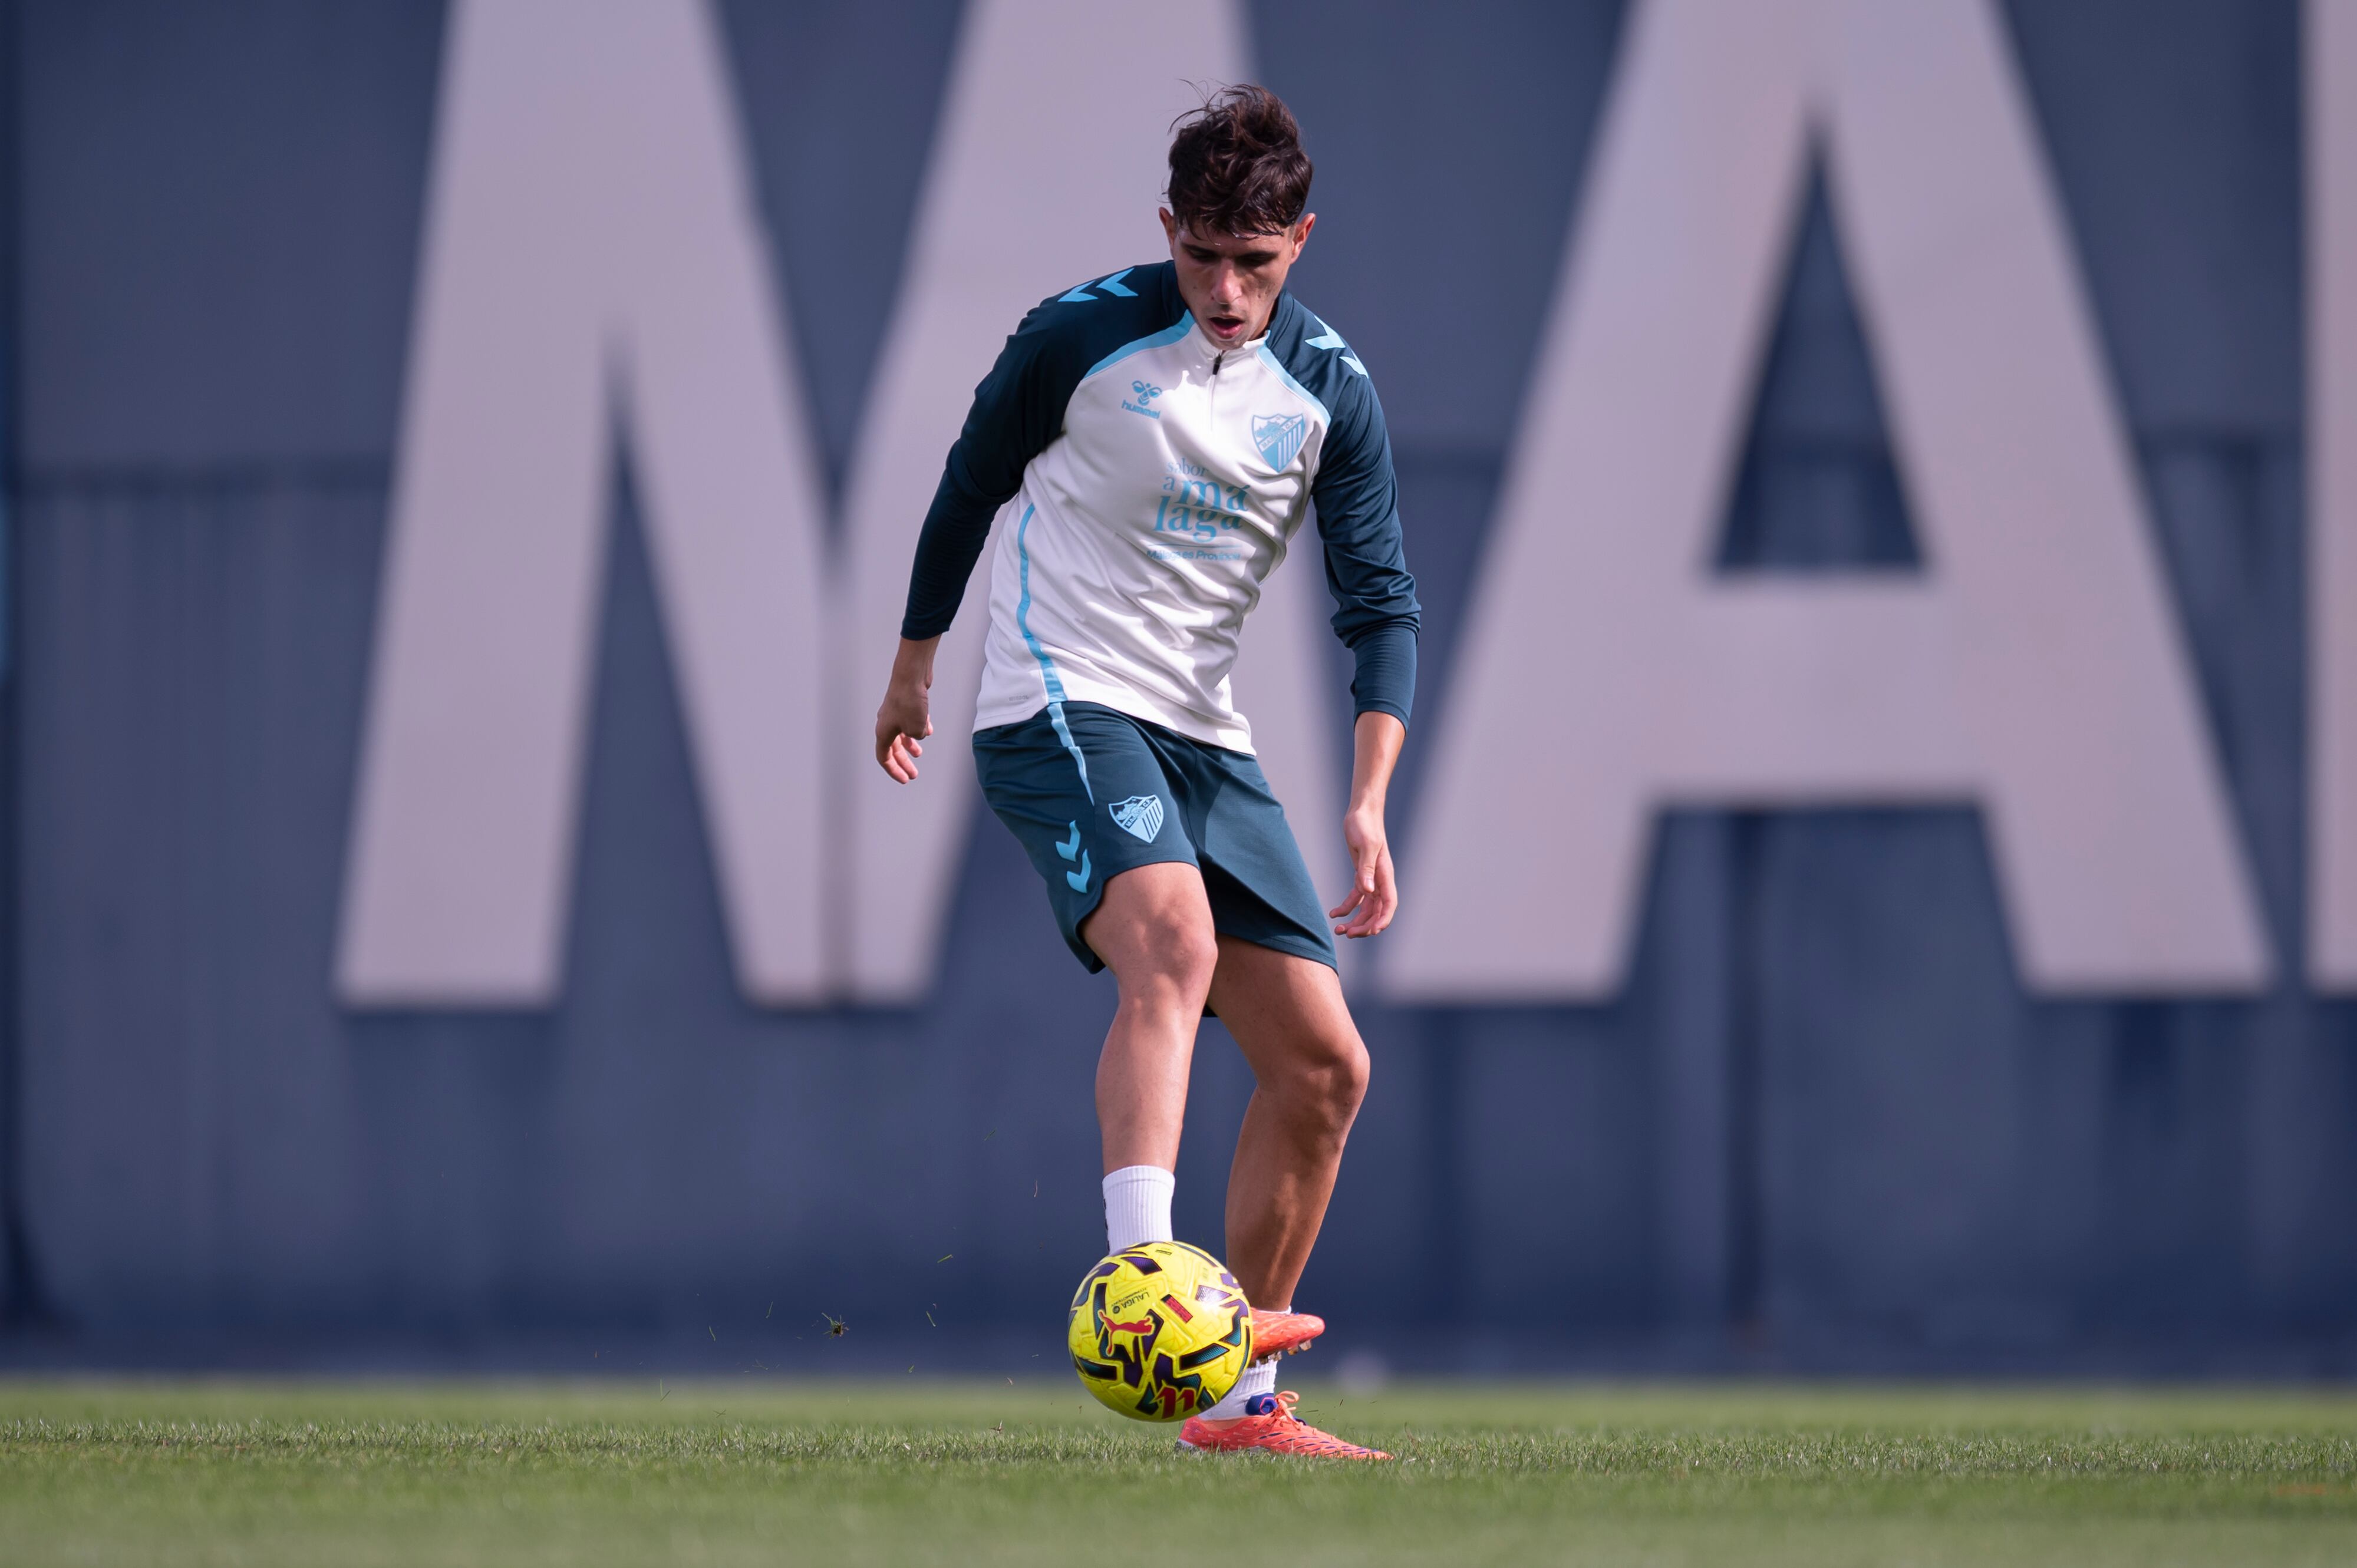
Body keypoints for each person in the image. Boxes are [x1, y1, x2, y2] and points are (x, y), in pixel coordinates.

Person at [872, 84, 1416, 1460]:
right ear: (1165, 229)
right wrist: (915, 662)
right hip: (1056, 698)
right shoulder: (1080, 336)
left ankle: (1236, 1405)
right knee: (1166, 937)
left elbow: (1382, 607)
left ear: (1303, 238)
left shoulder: (1328, 394)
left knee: (1323, 1067)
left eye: (1257, 260)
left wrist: (1364, 797)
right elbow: (967, 483)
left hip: (1200, 733)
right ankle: (1142, 1282)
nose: (1226, 292)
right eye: (1202, 257)